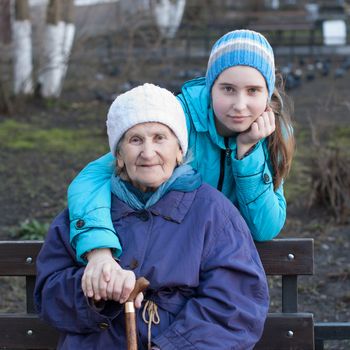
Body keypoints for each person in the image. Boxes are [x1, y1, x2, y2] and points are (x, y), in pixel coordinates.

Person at [34, 83, 269, 350]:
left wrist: (171, 347)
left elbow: (235, 306)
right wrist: (95, 290)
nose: (148, 153)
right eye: (135, 140)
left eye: (160, 138)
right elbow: (49, 296)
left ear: (179, 151)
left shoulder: (213, 211)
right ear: (119, 156)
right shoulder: (88, 213)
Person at [68, 29, 294, 297]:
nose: (240, 105)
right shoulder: (177, 118)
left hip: (223, 263)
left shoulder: (273, 134)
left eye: (253, 91)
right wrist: (100, 250)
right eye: (228, 89)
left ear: (267, 94)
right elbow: (93, 177)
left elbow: (264, 228)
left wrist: (248, 152)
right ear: (211, 86)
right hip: (171, 258)